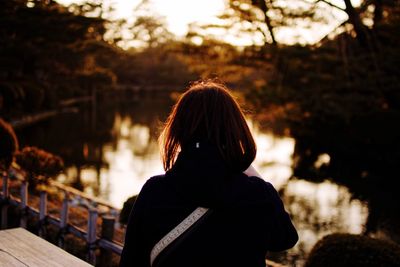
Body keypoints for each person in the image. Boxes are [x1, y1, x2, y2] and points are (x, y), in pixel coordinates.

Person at [119, 80, 298, 267]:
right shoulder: (258, 194)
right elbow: (285, 239)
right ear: (235, 130)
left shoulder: (155, 191)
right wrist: (247, 167)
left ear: (179, 130)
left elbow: (131, 262)